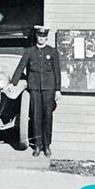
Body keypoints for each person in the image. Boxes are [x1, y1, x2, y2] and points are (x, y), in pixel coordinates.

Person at [13, 25, 61, 158]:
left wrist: (58, 90)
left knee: (47, 116)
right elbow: (20, 67)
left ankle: (47, 145)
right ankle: (38, 145)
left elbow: (57, 72)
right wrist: (13, 83)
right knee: (35, 117)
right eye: (40, 36)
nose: (42, 38)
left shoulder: (52, 52)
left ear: (47, 37)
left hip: (49, 89)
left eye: (44, 36)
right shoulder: (29, 51)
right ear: (36, 37)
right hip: (34, 88)